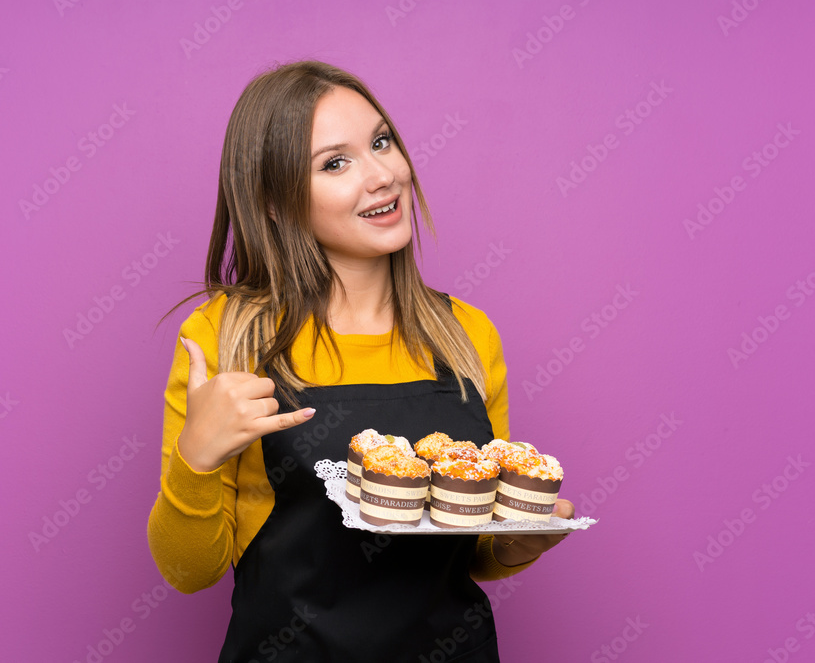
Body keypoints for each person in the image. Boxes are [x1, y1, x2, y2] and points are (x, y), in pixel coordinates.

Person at [147, 59, 575, 662]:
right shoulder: (225, 338)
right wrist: (197, 454)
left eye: (381, 142)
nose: (382, 175)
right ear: (275, 202)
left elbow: (477, 553)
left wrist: (527, 540)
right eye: (335, 163)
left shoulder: (466, 335)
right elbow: (188, 571)